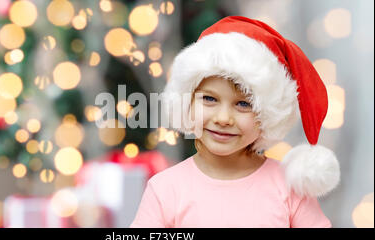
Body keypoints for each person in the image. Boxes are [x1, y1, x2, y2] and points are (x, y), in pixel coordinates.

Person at [129, 16, 340, 228]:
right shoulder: (166, 189)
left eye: (243, 105)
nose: (223, 119)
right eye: (210, 99)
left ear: (267, 114)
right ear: (187, 102)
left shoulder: (290, 187)